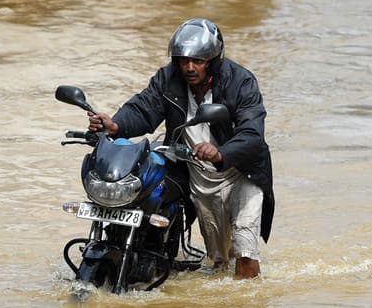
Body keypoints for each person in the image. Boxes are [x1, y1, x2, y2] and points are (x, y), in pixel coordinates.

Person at [86, 18, 274, 279]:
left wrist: (221, 153)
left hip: (242, 171)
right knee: (219, 260)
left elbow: (252, 134)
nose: (189, 67)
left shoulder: (241, 82)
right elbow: (143, 107)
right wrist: (115, 124)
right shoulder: (168, 79)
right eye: (183, 60)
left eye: (197, 60)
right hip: (199, 174)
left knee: (245, 250)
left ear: (213, 60)